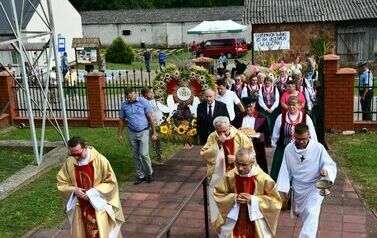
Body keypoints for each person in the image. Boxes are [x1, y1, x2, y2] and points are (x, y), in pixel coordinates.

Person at [57, 136, 125, 237]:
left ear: (85, 148)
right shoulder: (70, 162)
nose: (75, 157)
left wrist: (91, 193)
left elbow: (111, 183)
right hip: (79, 206)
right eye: (72, 154)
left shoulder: (100, 160)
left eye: (78, 154)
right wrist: (74, 190)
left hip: (98, 206)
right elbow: (62, 182)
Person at [277, 123, 337, 238]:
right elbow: (285, 170)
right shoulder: (288, 149)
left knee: (311, 212)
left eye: (304, 139)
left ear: (309, 135)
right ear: (294, 136)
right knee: (306, 216)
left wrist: (326, 170)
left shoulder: (318, 147)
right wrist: (284, 189)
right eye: (298, 139)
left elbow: (329, 164)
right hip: (298, 187)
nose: (301, 142)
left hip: (315, 186)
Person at [214, 148, 282, 238]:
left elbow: (275, 201)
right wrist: (233, 198)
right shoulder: (229, 176)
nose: (240, 168)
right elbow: (219, 194)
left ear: (252, 163)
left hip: (256, 220)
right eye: (237, 163)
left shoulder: (264, 178)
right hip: (235, 217)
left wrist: (254, 200)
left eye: (244, 165)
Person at [201, 116, 253, 226]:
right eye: (218, 132)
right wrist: (218, 144)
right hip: (220, 178)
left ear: (229, 126)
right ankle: (222, 229)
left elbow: (251, 154)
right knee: (221, 206)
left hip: (237, 176)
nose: (222, 135)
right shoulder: (213, 137)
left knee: (237, 205)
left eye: (224, 131)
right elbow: (205, 154)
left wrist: (237, 158)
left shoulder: (240, 136)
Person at [270, 96, 317, 181]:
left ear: (299, 105)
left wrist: (313, 148)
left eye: (294, 105)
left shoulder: (306, 118)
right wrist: (274, 147)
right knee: (280, 174)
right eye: (289, 105)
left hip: (301, 151)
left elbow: (312, 134)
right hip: (283, 149)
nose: (291, 107)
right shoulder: (281, 117)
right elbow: (275, 135)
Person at [118, 88, 158, 184]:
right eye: (128, 98)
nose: (130, 99)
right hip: (131, 132)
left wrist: (154, 133)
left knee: (144, 154)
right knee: (135, 155)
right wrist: (120, 134)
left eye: (131, 97)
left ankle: (150, 173)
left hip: (144, 131)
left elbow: (150, 118)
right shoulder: (124, 105)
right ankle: (141, 176)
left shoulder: (144, 102)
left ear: (134, 93)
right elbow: (122, 120)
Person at [234, 102, 270, 173]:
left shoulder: (262, 118)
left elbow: (267, 133)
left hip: (257, 145)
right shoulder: (239, 117)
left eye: (250, 107)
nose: (248, 109)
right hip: (241, 146)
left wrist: (259, 135)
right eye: (246, 107)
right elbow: (233, 130)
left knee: (258, 166)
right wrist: (238, 130)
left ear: (254, 106)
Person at [141, 87, 171, 161]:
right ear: (145, 94)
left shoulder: (155, 101)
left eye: (151, 92)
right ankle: (156, 156)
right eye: (149, 93)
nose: (151, 94)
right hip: (151, 124)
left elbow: (160, 111)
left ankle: (160, 154)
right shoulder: (143, 103)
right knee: (154, 140)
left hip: (160, 123)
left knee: (159, 139)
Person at [258, 75, 280, 140]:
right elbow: (260, 100)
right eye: (266, 82)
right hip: (264, 110)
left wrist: (272, 108)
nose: (267, 84)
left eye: (269, 82)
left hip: (273, 110)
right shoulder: (261, 89)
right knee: (265, 124)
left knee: (273, 124)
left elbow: (277, 100)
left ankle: (272, 139)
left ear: (271, 82)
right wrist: (266, 109)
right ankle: (265, 139)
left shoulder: (275, 89)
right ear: (264, 82)